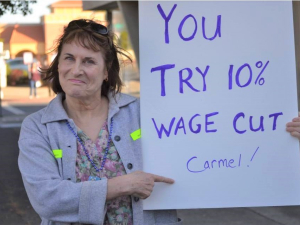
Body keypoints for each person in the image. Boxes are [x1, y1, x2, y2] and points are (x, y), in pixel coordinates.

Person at [18, 19, 182, 225]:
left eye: (89, 61)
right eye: (69, 58)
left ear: (106, 71)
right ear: (58, 64)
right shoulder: (37, 127)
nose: (76, 70)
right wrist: (124, 185)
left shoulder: (141, 113)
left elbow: (181, 164)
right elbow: (47, 200)